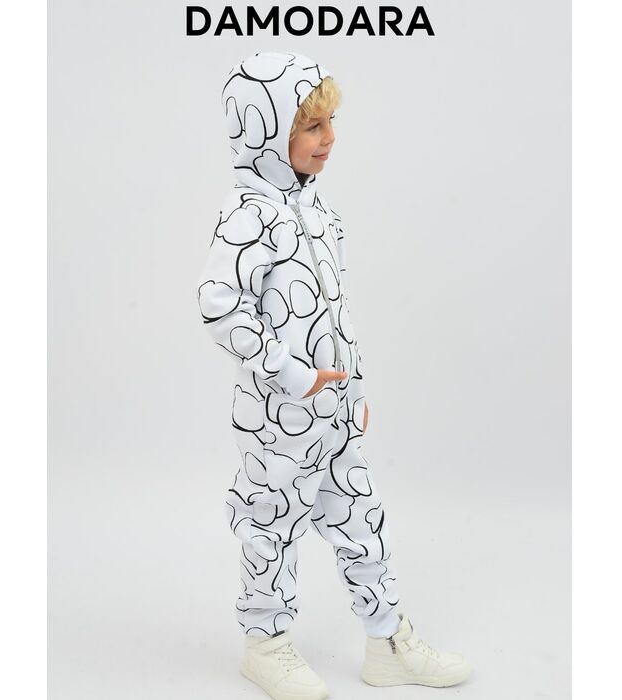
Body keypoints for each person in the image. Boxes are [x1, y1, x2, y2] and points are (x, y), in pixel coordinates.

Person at [197, 51, 472, 700]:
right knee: (272, 523)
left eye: (331, 122)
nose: (330, 138)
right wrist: (291, 374)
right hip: (278, 419)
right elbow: (220, 305)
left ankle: (388, 643)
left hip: (335, 413)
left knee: (363, 518)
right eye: (312, 126)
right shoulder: (249, 214)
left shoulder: (317, 210)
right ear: (264, 130)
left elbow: (336, 310)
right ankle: (265, 645)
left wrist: (354, 391)